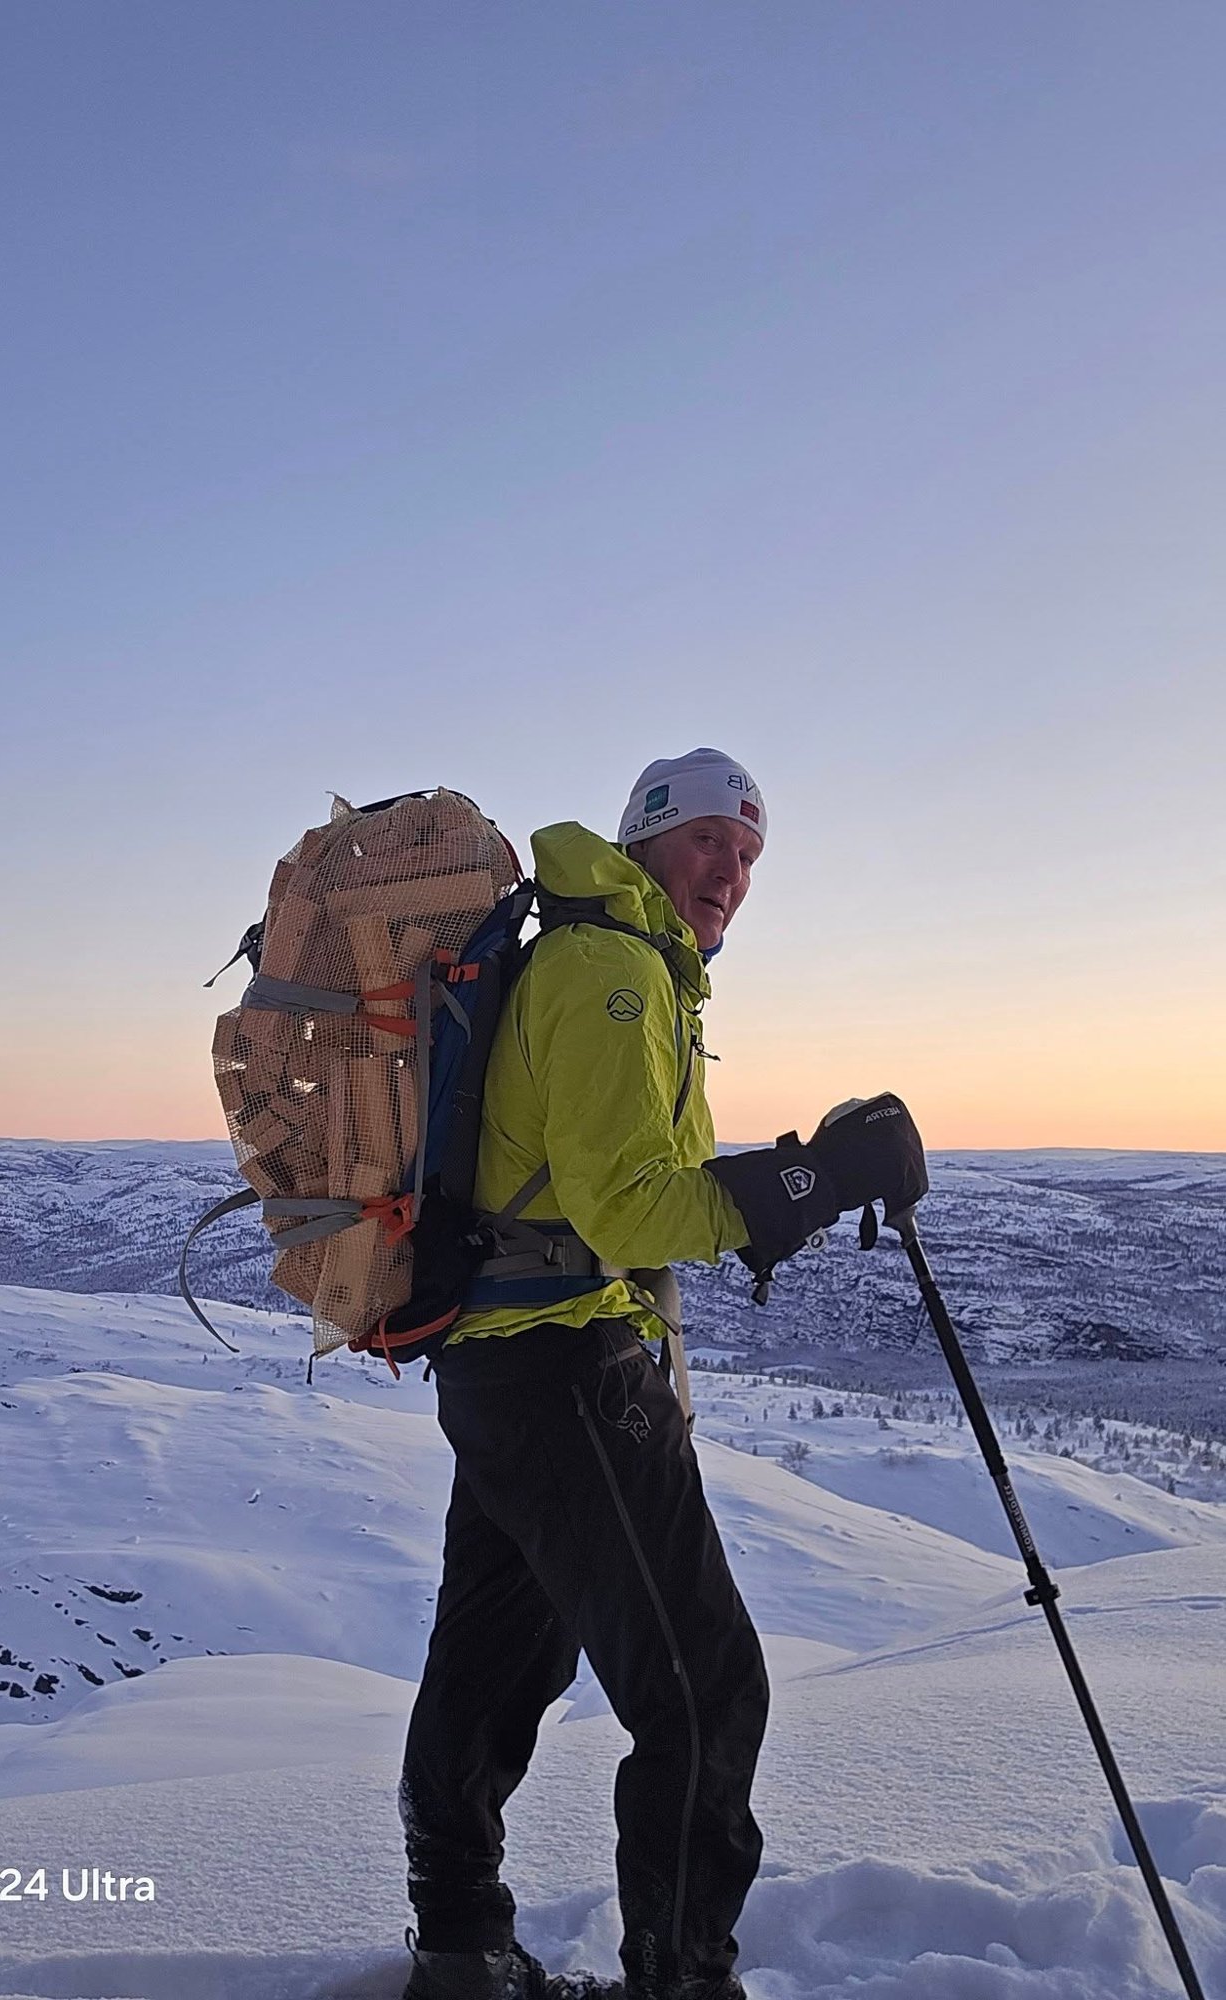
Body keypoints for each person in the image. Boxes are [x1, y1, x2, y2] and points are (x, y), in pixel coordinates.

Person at [398, 748, 928, 2000]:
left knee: (498, 1662)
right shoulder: (609, 973)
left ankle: (461, 1948)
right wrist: (818, 1177)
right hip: (561, 1362)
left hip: (501, 1362)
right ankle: (681, 1982)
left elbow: (606, 1190)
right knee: (703, 1686)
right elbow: (629, 1212)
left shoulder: (608, 961)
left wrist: (785, 1178)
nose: (729, 873)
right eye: (705, 842)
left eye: (746, 855)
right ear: (644, 840)